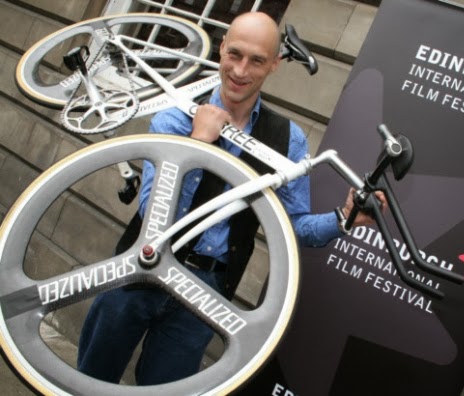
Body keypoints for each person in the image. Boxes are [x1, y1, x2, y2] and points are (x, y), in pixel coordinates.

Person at [77, 11, 383, 386]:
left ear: (275, 64)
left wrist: (343, 218)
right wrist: (197, 145)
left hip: (205, 293)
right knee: (88, 381)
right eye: (235, 54)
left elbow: (291, 228)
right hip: (137, 275)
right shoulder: (176, 117)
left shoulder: (287, 140)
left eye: (256, 60)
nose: (240, 70)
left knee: (168, 390)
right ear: (221, 49)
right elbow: (152, 212)